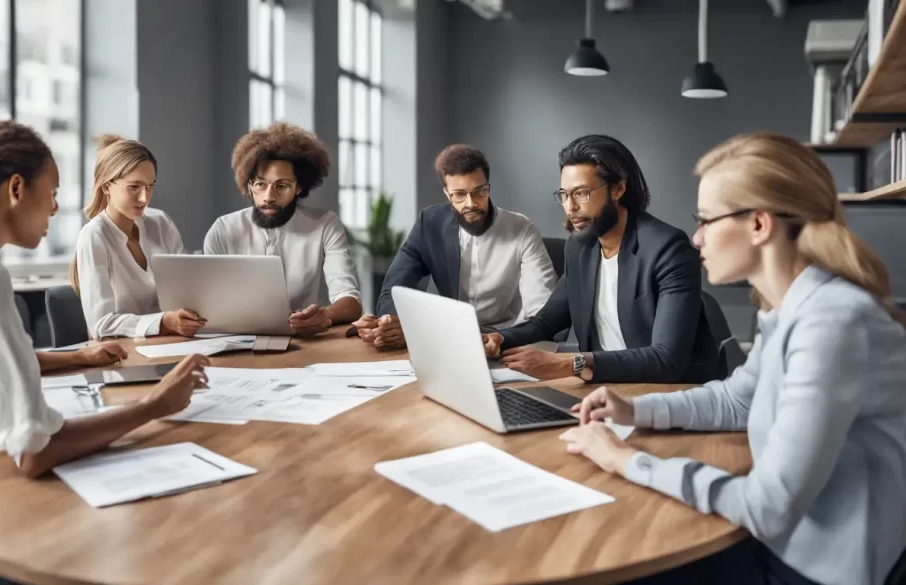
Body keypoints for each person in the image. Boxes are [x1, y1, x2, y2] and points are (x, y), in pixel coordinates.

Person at [561, 133, 906, 585]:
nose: (697, 238)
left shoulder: (831, 323)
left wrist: (627, 461)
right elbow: (739, 400)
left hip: (813, 570)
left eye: (706, 220)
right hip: (782, 547)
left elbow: (768, 508)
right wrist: (636, 409)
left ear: (759, 225)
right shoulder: (787, 307)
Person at [0, 121, 209, 585]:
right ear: (16, 189)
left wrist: (75, 358)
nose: (57, 208)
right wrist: (155, 406)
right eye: (52, 192)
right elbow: (34, 450)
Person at [483, 135, 718, 384]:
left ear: (618, 188)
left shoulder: (668, 248)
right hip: (607, 386)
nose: (570, 207)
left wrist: (570, 364)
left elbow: (666, 359)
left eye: (581, 193)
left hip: (675, 391)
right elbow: (547, 321)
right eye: (564, 194)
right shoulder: (579, 246)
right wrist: (501, 338)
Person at [355, 144, 556, 350]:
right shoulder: (430, 223)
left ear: (488, 187)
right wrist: (393, 324)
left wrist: (504, 338)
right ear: (447, 193)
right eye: (459, 194)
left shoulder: (523, 230)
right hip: (449, 339)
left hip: (508, 339)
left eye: (480, 191)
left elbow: (543, 311)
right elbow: (393, 289)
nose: (471, 203)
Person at [203, 122, 362, 336]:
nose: (269, 196)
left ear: (299, 187)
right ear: (249, 185)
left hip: (304, 343)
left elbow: (350, 302)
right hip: (235, 342)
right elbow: (209, 303)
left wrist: (323, 316)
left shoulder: (325, 224)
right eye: (260, 184)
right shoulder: (223, 229)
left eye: (282, 186)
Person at [72, 135, 205, 340]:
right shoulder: (94, 236)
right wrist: (163, 322)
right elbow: (100, 324)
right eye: (134, 187)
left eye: (150, 186)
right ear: (107, 186)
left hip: (173, 344)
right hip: (123, 354)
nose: (144, 198)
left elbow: (186, 287)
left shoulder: (160, 222)